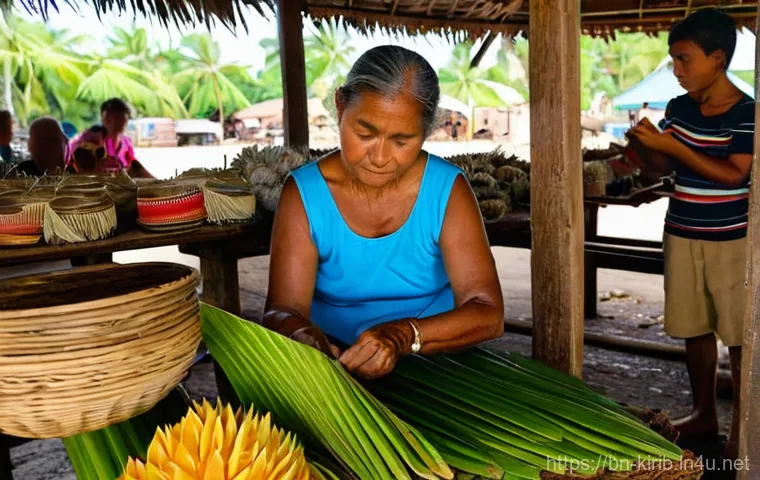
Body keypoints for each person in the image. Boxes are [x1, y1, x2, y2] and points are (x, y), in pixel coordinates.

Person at [263, 45, 504, 380]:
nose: (379, 157)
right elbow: (281, 310)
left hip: (435, 361)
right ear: (340, 106)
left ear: (426, 133)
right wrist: (301, 335)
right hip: (337, 366)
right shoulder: (304, 194)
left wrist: (404, 335)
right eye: (364, 134)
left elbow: (488, 313)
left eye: (402, 141)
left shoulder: (447, 191)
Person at [626, 9, 752, 460]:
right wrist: (642, 148)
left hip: (732, 242)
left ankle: (743, 425)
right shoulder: (679, 109)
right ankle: (704, 413)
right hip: (682, 232)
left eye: (684, 60)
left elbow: (735, 175)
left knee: (738, 336)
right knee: (693, 327)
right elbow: (664, 168)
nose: (676, 71)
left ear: (718, 59)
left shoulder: (747, 112)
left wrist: (673, 146)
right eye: (673, 60)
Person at [100, 98, 154, 178]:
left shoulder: (126, 142)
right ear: (105, 118)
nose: (124, 120)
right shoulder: (96, 143)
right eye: (117, 116)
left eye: (124, 116)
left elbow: (134, 165)